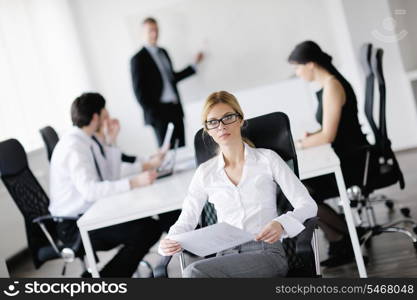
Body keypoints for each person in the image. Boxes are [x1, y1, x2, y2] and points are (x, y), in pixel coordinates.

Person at [158, 91, 318, 278]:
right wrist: (168, 241)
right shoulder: (205, 172)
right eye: (213, 122)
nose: (221, 126)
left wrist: (281, 224)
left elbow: (308, 205)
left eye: (228, 117)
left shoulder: (267, 159)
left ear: (240, 120)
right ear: (207, 129)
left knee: (194, 272)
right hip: (225, 255)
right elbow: (186, 219)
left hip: (266, 254)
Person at [49, 92, 166, 277]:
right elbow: (91, 191)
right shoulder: (74, 146)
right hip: (75, 226)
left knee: (148, 225)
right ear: (96, 117)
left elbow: (109, 176)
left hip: (91, 213)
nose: (109, 117)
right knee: (146, 229)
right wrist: (134, 182)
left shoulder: (88, 140)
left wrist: (111, 139)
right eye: (105, 113)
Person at [288, 41, 369, 267]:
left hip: (352, 160)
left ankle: (349, 233)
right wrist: (311, 135)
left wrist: (301, 144)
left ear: (310, 64)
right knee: (301, 192)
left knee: (302, 194)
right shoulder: (327, 84)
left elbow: (328, 136)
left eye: (297, 67)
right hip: (348, 153)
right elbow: (329, 129)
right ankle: (339, 238)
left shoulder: (332, 86)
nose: (297, 73)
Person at [130, 17, 204, 148]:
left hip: (175, 108)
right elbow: (139, 93)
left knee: (181, 147)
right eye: (151, 30)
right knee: (167, 151)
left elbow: (171, 78)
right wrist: (154, 114)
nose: (155, 33)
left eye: (156, 29)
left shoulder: (163, 52)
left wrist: (193, 65)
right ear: (142, 33)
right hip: (159, 114)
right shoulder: (138, 59)